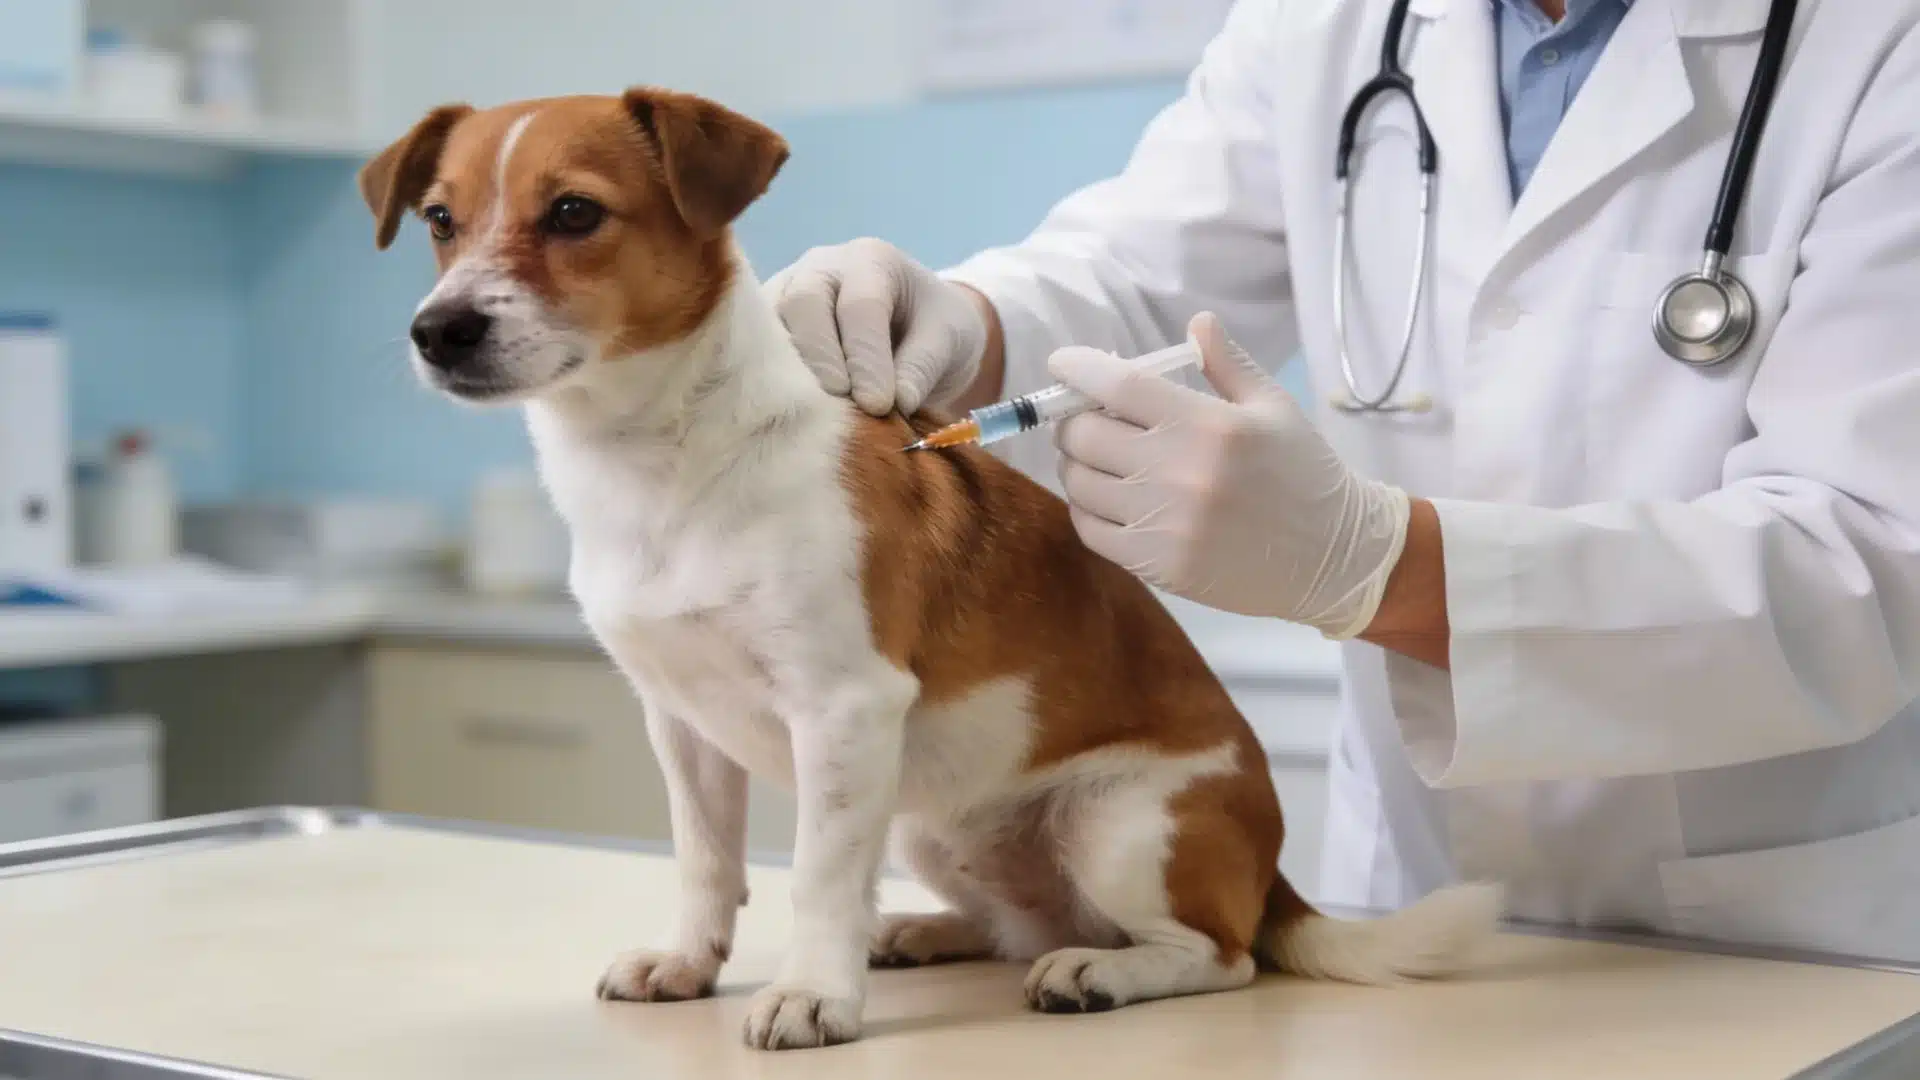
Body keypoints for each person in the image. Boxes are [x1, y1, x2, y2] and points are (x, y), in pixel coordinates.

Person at [765, 0, 1920, 963]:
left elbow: (1869, 565)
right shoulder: (1332, 24)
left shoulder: (1878, 45)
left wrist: (1378, 565)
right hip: (1421, 891)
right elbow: (1139, 270)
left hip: (1784, 936)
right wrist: (967, 322)